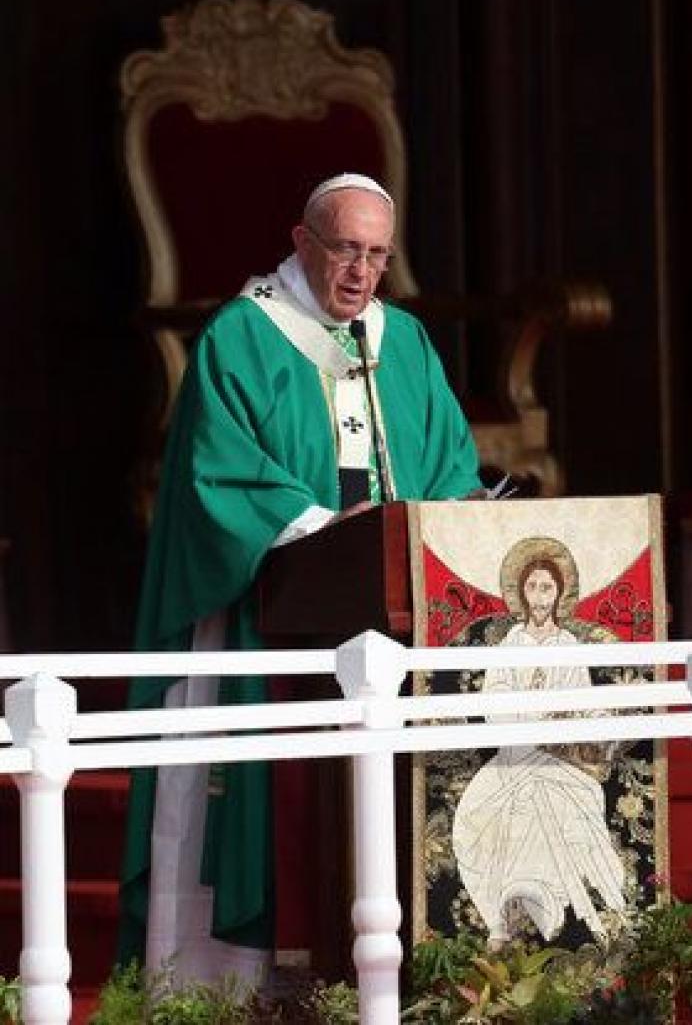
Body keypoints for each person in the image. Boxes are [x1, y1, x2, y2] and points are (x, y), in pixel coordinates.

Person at [118, 173, 483, 986]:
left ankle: (383, 976)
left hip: (388, 620)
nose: (361, 272)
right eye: (346, 249)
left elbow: (452, 462)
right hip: (271, 610)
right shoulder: (241, 337)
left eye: (378, 255)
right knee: (265, 803)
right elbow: (220, 473)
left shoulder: (406, 342)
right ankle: (236, 987)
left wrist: (460, 513)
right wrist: (319, 528)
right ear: (301, 242)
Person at [452, 555, 625, 947]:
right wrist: (531, 713)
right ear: (521, 593)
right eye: (532, 587)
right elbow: (491, 701)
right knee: (476, 816)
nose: (539, 596)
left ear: (560, 593)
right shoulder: (509, 644)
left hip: (556, 757)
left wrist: (590, 718)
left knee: (572, 798)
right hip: (515, 755)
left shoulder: (570, 645)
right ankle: (506, 908)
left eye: (547, 587)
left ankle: (554, 901)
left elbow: (583, 701)